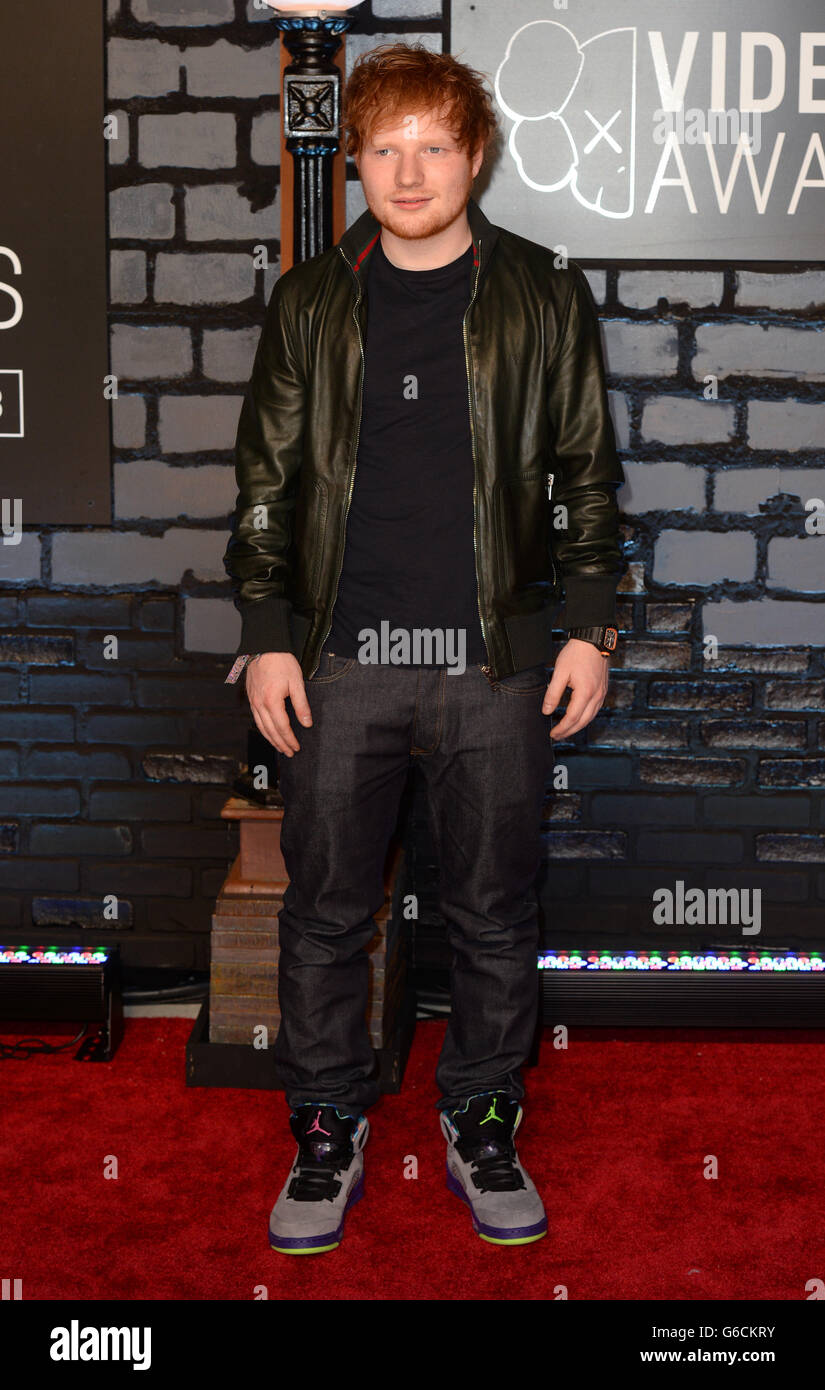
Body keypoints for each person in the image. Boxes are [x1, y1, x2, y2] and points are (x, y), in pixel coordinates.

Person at [223, 42, 625, 1254]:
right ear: (354, 159)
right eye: (384, 147)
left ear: (476, 156)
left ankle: (484, 1118)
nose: (408, 171)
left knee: (497, 911)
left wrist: (593, 624)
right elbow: (267, 480)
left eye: (432, 146)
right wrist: (266, 632)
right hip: (341, 661)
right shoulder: (309, 301)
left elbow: (586, 478)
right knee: (326, 913)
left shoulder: (546, 295)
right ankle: (328, 1127)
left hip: (495, 662)